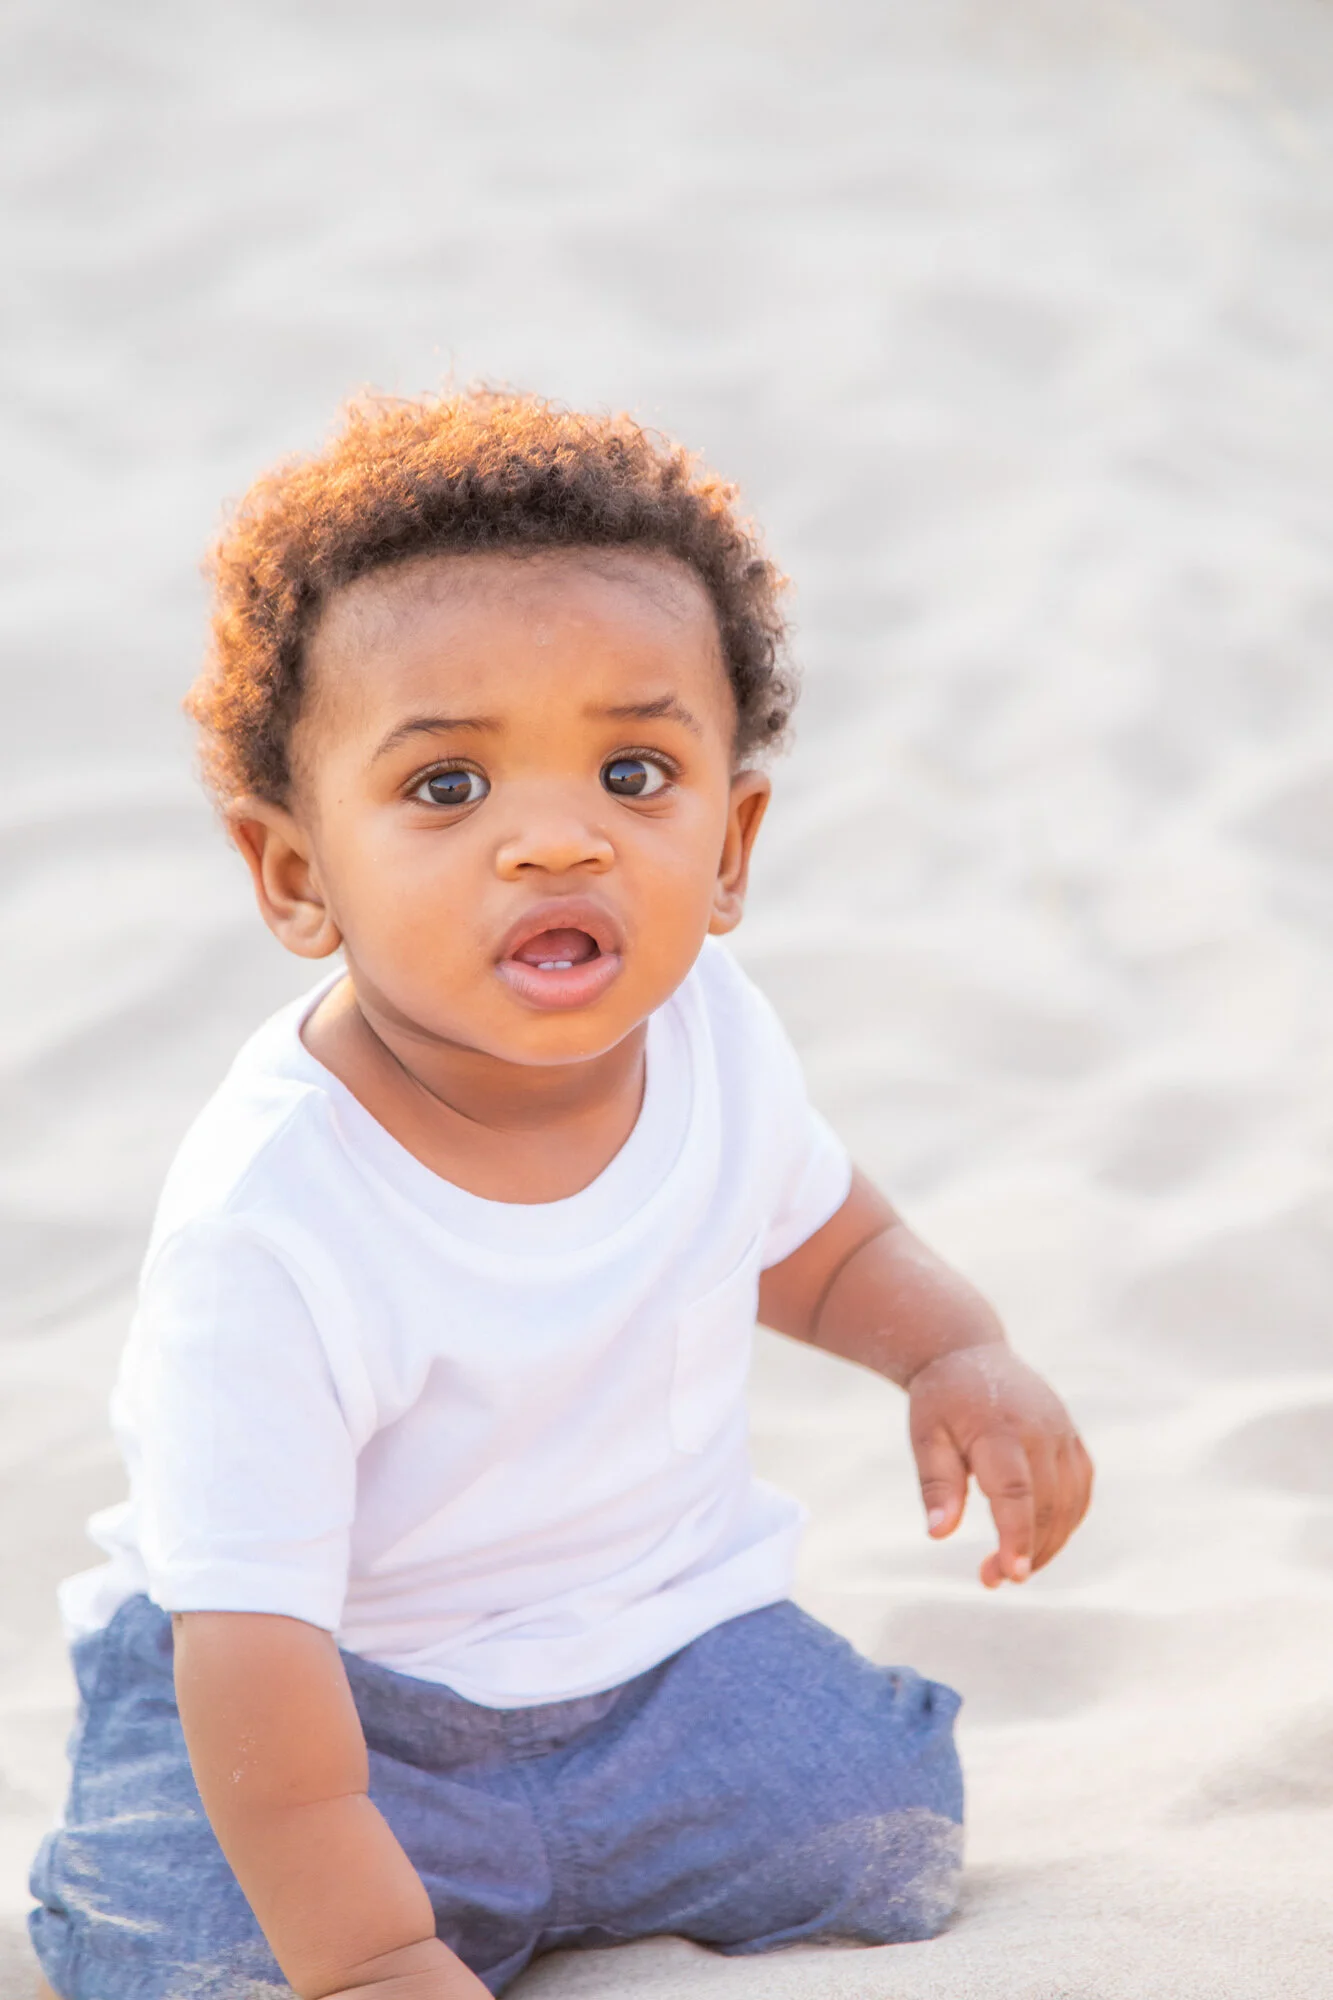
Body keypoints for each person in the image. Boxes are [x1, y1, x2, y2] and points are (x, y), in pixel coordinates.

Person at [30, 391, 1093, 2000]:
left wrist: (954, 1350)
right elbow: (248, 1654)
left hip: (656, 1666)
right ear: (298, 876)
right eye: (449, 790)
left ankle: (581, 1864)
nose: (555, 842)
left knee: (876, 1825)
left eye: (633, 770)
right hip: (320, 1705)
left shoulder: (716, 1035)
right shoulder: (275, 1219)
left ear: (731, 843)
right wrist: (378, 1952)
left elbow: (821, 1240)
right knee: (206, 1939)